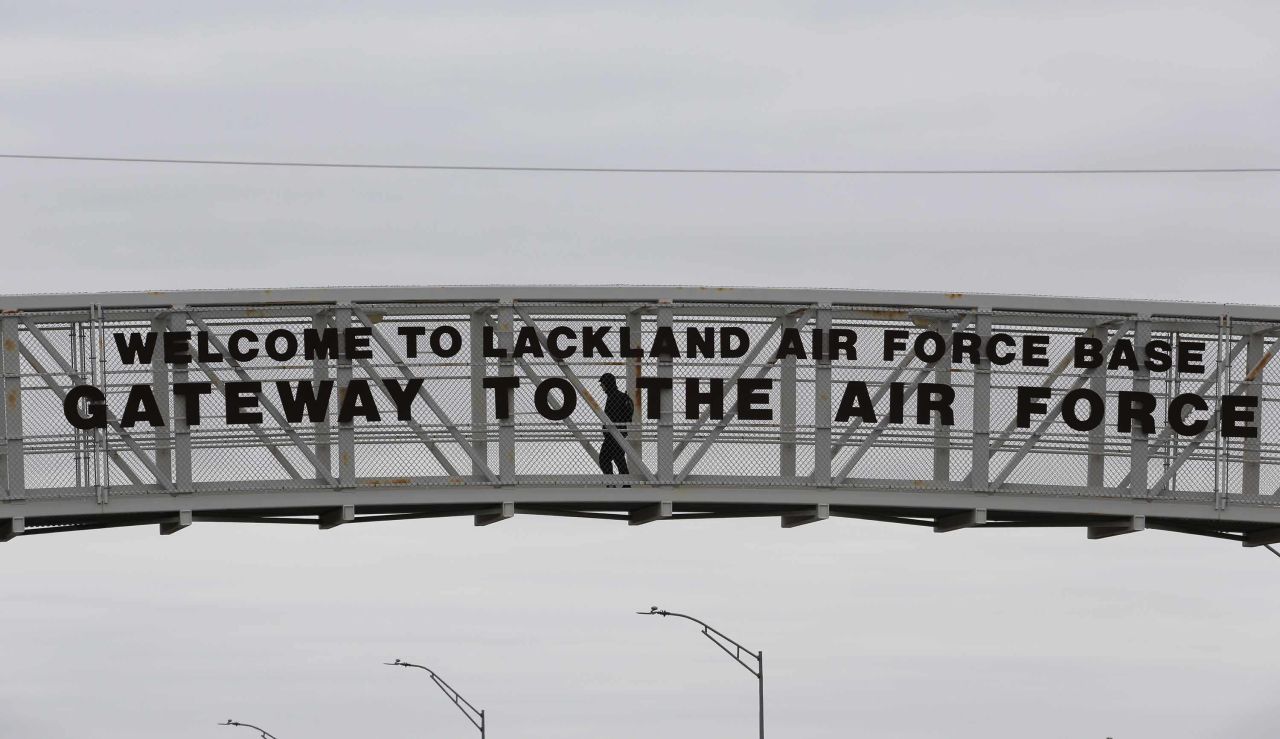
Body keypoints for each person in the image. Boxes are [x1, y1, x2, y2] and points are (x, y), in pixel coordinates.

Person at [597, 372, 634, 482]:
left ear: (607, 384)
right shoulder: (620, 396)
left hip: (613, 435)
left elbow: (612, 417)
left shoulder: (613, 397)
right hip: (619, 434)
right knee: (619, 459)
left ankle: (611, 482)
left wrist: (607, 430)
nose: (601, 386)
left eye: (602, 384)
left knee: (604, 459)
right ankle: (625, 484)